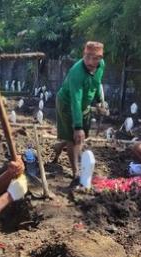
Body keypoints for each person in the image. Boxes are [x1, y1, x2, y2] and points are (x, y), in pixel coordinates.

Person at [53, 41, 106, 184]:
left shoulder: (101, 66)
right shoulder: (77, 72)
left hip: (84, 106)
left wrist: (100, 101)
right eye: (87, 56)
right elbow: (75, 101)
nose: (90, 61)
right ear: (83, 54)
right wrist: (77, 127)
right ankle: (76, 172)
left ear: (100, 58)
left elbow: (97, 82)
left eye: (95, 58)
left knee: (80, 136)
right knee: (75, 138)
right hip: (67, 104)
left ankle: (59, 146)